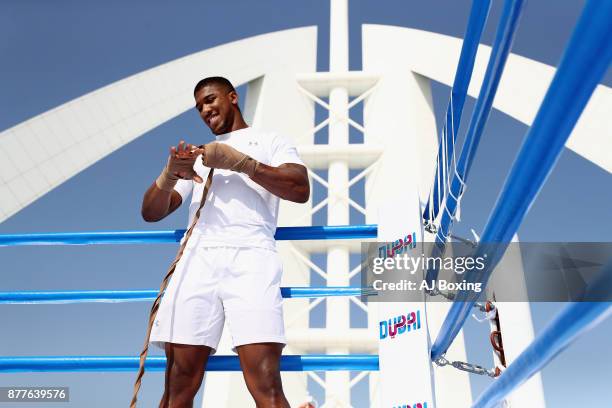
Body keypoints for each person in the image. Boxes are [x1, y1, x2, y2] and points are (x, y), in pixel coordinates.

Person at [141, 76, 310, 408]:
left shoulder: (270, 140)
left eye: (209, 100)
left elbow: (300, 189)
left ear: (232, 97)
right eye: (199, 107)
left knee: (266, 383)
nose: (204, 110)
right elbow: (151, 212)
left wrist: (242, 163)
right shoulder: (199, 157)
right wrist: (169, 175)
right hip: (196, 262)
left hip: (251, 258)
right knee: (178, 387)